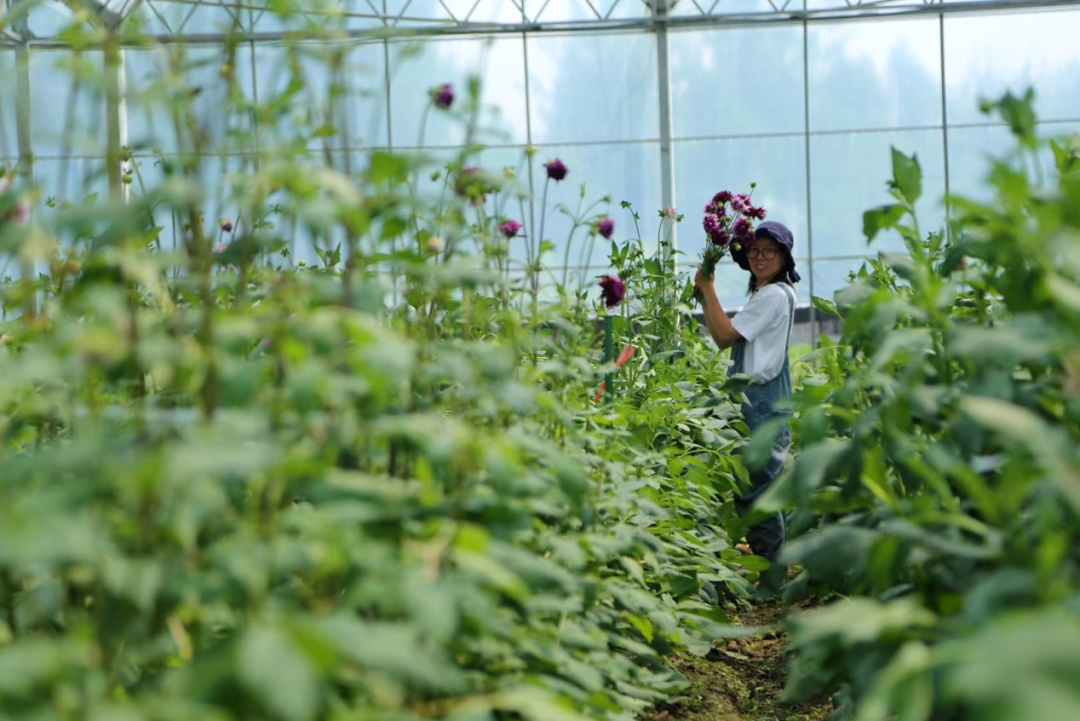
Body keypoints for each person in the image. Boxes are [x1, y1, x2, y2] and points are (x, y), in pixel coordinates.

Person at [693, 221, 800, 595]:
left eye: (769, 251)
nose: (759, 256)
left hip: (762, 401)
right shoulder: (771, 293)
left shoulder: (772, 296)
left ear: (784, 256)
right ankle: (773, 576)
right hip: (762, 399)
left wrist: (707, 288)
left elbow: (724, 335)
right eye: (754, 250)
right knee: (761, 487)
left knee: (760, 492)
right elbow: (725, 342)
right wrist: (705, 295)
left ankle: (773, 583)